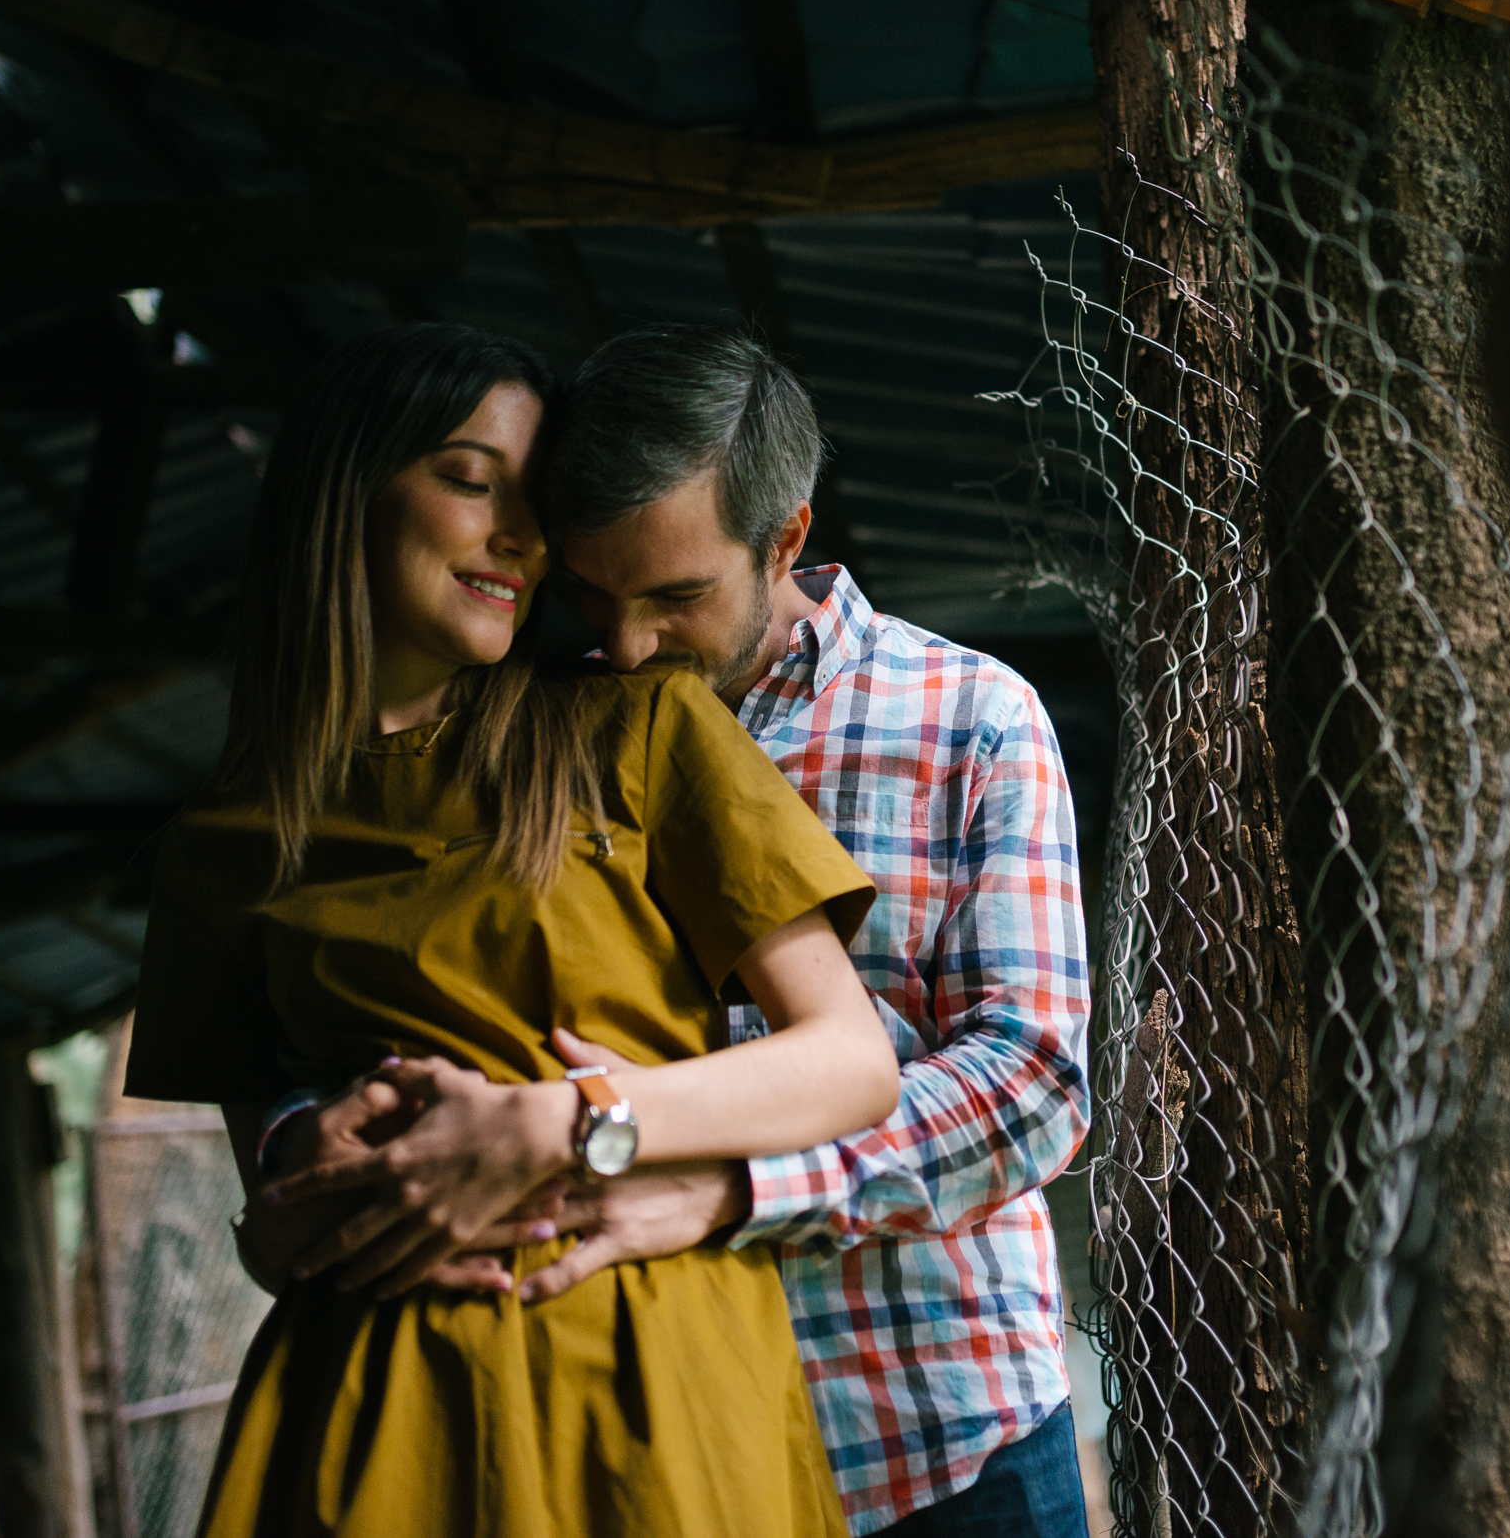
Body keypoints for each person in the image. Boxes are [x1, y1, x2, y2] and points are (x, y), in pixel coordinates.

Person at [264, 325, 1095, 1536]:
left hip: (935, 1434)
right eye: (597, 594)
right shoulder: (534, 733)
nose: (630, 643)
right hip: (660, 1446)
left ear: (789, 539)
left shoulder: (969, 716)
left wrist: (732, 1183)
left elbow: (1032, 1083)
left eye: (678, 596)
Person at [120, 322, 901, 1537]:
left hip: (648, 1386)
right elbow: (269, 1202)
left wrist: (570, 1119)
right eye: (471, 483)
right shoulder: (224, 844)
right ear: (345, 490)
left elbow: (850, 1062)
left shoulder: (635, 732)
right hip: (375, 1415)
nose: (521, 539)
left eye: (532, 505)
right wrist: (297, 1165)